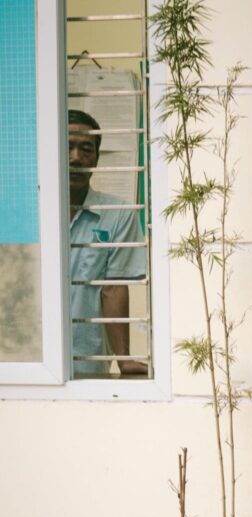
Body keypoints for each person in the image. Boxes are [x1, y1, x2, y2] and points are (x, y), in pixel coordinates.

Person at [68, 109, 148, 377]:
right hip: (27, 360)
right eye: (67, 147)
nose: (76, 158)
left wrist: (124, 359)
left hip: (87, 365)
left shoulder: (118, 214)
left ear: (97, 158)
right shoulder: (27, 214)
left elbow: (113, 288)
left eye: (86, 149)